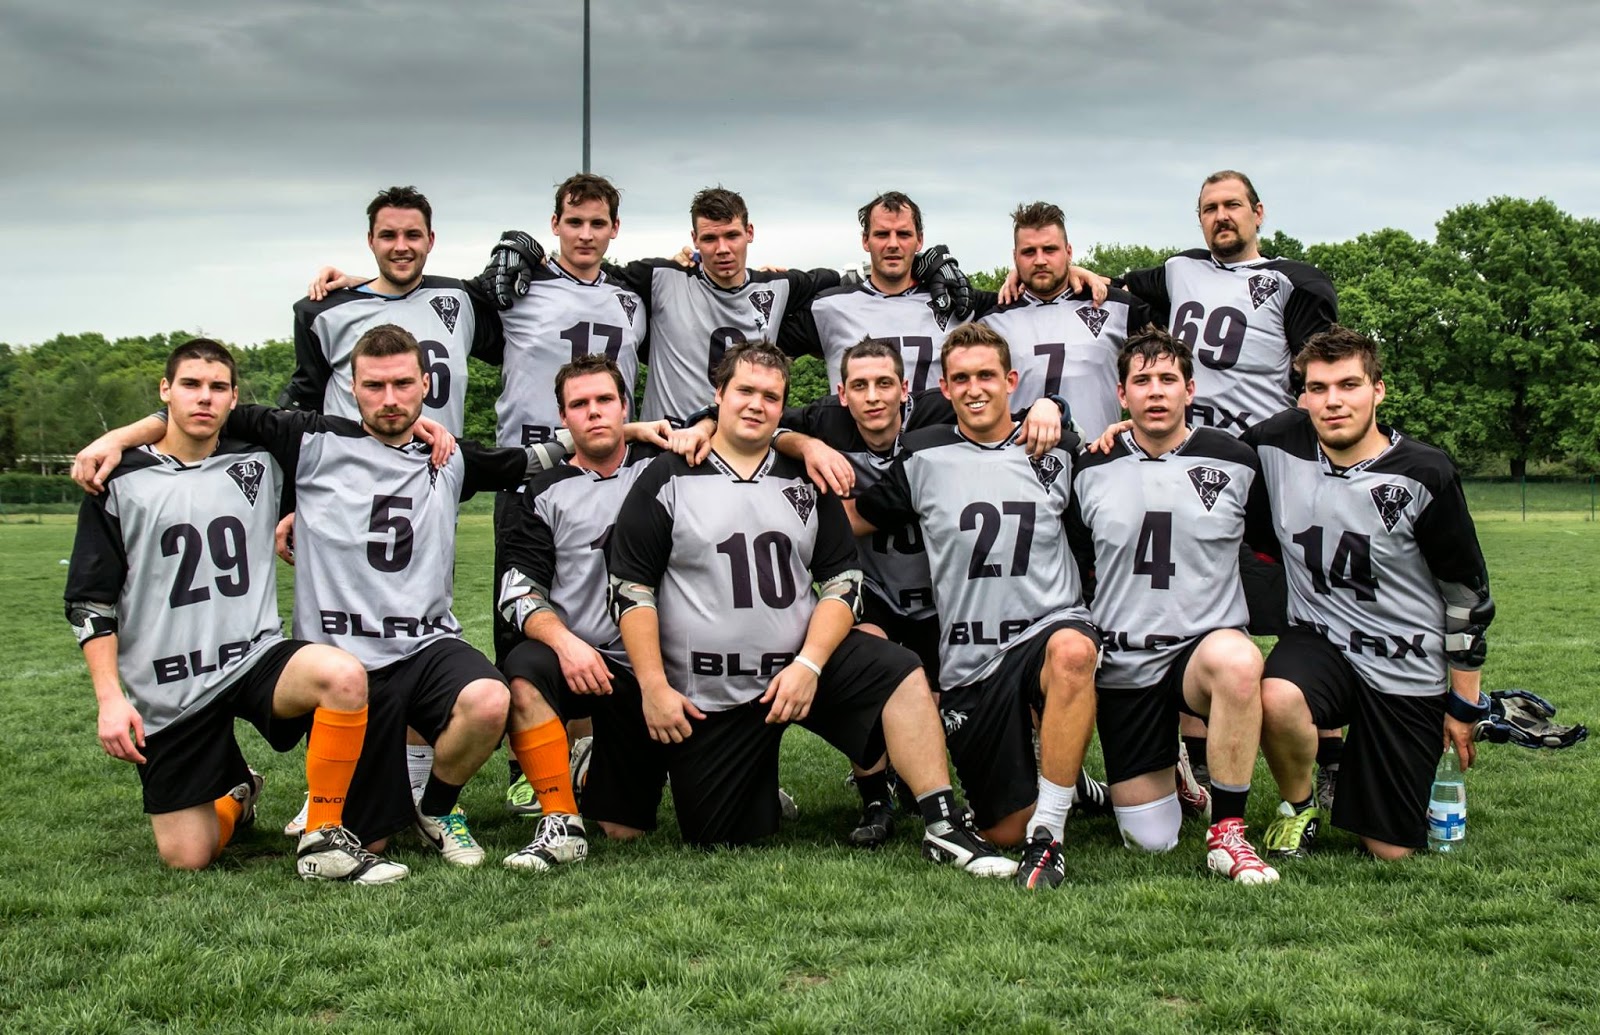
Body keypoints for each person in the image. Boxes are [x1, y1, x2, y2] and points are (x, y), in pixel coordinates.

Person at [79, 326, 540, 869]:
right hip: (209, 673)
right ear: (351, 387)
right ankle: (239, 795)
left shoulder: (430, 453)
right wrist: (117, 438)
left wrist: (621, 430)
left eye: (401, 385)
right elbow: (202, 420)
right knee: (188, 857)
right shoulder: (292, 441)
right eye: (374, 386)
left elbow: (525, 458)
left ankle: (387, 817)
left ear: (425, 384)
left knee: (440, 692)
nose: (389, 398)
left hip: (305, 654)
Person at [608, 340, 1015, 877]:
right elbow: (631, 588)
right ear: (718, 396)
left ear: (783, 406)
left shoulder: (806, 476)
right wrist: (654, 686)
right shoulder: (669, 476)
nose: (757, 404)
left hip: (802, 670)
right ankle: (757, 787)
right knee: (721, 837)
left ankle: (942, 824)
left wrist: (809, 664)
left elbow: (844, 581)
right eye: (745, 391)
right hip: (715, 692)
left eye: (770, 396)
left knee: (897, 670)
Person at [66, 338, 407, 883]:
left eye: (218, 387)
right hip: (171, 684)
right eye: (191, 385)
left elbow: (363, 433)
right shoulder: (118, 478)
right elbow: (90, 602)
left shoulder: (263, 457)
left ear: (233, 397)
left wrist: (420, 425)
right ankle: (238, 794)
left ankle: (324, 835)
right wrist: (110, 699)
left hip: (252, 656)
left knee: (342, 675)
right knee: (188, 856)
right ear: (165, 391)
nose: (204, 398)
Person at [853, 323, 1100, 889]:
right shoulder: (922, 454)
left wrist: (1065, 410)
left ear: (1010, 381)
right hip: (971, 659)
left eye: (986, 375)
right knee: (1003, 829)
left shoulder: (1058, 447)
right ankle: (1068, 785)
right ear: (944, 387)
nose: (974, 388)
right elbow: (856, 518)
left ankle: (1050, 833)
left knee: (1072, 652)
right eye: (960, 378)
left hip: (1046, 627)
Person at [282, 184, 502, 819]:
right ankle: (328, 789)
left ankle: (412, 785)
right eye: (388, 235)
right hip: (344, 491)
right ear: (369, 241)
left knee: (413, 631)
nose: (401, 246)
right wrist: (293, 501)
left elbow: (530, 292)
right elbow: (301, 402)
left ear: (432, 240)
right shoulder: (325, 310)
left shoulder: (460, 299)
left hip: (431, 477)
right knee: (344, 632)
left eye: (412, 235)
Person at [1246, 327, 1494, 860]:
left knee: (1389, 850)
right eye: (1318, 388)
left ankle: (1388, 770)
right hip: (1322, 642)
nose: (1332, 401)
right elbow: (1194, 451)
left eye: (1349, 385)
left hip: (1404, 660)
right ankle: (1298, 807)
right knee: (1276, 695)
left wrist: (1463, 703)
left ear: (1378, 390)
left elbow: (1466, 594)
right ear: (1302, 396)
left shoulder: (1424, 472)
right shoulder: (1273, 444)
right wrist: (1130, 430)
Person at [1067, 327, 1278, 883]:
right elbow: (1079, 562)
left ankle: (1228, 831)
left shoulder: (1236, 460)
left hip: (1199, 652)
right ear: (1121, 394)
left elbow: (1270, 544)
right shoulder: (1090, 467)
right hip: (1125, 661)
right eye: (1142, 381)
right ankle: (1176, 772)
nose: (1155, 391)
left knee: (1239, 662)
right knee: (1149, 841)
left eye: (1167, 379)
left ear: (1190, 389)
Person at [495, 354, 672, 866]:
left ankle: (725, 772)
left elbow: (737, 426)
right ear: (563, 417)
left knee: (623, 829)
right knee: (525, 669)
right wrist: (565, 643)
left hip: (660, 664)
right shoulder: (540, 492)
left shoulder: (666, 466)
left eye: (604, 400)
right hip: (586, 660)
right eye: (579, 404)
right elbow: (517, 591)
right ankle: (560, 820)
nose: (593, 412)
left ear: (625, 407)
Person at [978, 201, 1153, 434]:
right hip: (1020, 453)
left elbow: (1164, 366)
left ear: (1069, 252)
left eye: (1050, 250)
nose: (1040, 260)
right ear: (1015, 257)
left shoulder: (1118, 307)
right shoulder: (991, 322)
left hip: (1097, 451)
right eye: (1029, 252)